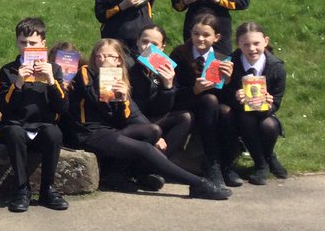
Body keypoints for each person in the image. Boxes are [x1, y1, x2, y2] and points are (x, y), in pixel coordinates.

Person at [63, 39, 232, 200]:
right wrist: (105, 73)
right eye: (99, 56)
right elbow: (93, 98)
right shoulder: (86, 72)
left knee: (153, 130)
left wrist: (123, 99)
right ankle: (198, 183)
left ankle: (118, 174)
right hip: (88, 132)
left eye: (109, 56)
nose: (103, 60)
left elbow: (131, 115)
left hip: (109, 132)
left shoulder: (120, 79)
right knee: (144, 148)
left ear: (119, 60)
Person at [0, 18, 67, 212]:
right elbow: (6, 108)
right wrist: (18, 83)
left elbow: (62, 107)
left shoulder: (54, 69)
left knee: (54, 133)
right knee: (14, 132)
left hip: (42, 125)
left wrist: (51, 81)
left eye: (33, 43)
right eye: (23, 43)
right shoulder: (8, 70)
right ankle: (22, 189)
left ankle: (48, 189)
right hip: (17, 124)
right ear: (17, 43)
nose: (28, 47)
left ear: (43, 44)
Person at [169, 14, 243, 189]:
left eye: (206, 35)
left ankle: (226, 165)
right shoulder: (180, 53)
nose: (200, 39)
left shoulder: (222, 58)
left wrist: (228, 81)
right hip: (186, 102)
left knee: (225, 111)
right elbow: (173, 90)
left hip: (212, 109)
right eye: (196, 34)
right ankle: (212, 163)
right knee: (209, 99)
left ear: (216, 37)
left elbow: (229, 98)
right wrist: (194, 90)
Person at [226, 21, 288, 184]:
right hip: (239, 114)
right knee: (246, 119)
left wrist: (267, 105)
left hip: (264, 114)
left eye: (256, 43)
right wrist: (235, 96)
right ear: (238, 44)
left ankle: (268, 156)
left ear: (266, 41)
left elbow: (277, 101)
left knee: (269, 125)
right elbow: (222, 94)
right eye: (246, 44)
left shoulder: (276, 67)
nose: (252, 49)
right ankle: (262, 164)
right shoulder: (230, 63)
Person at [129, 24, 192, 159]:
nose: (148, 47)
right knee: (154, 130)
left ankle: (160, 161)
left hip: (151, 117)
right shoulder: (128, 64)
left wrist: (167, 86)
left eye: (154, 44)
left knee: (185, 117)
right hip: (130, 120)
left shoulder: (165, 67)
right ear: (137, 42)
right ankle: (155, 163)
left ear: (162, 47)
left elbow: (161, 109)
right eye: (144, 41)